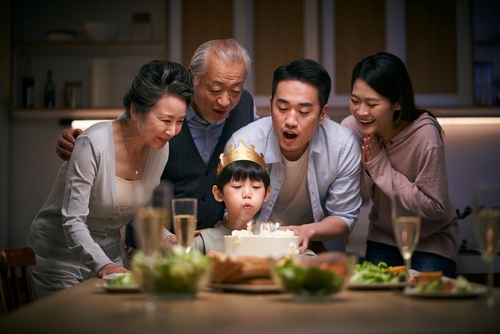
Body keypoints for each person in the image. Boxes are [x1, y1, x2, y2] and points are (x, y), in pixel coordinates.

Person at [26, 60, 195, 298]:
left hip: (111, 260)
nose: (172, 131)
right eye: (166, 120)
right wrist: (103, 265)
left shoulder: (160, 149)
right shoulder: (93, 143)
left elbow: (138, 210)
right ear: (136, 111)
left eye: (180, 122)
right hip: (59, 259)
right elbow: (73, 220)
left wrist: (167, 239)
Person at [55, 39, 257, 238]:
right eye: (214, 89)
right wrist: (79, 142)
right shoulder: (162, 105)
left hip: (213, 243)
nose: (224, 101)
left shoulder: (246, 107)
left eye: (235, 91)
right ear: (192, 76)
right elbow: (118, 136)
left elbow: (261, 156)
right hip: (153, 243)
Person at [224, 59, 363, 253]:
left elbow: (344, 216)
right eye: (282, 108)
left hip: (320, 251)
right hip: (254, 249)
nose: (290, 121)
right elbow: (233, 212)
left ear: (323, 114)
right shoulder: (244, 144)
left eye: (304, 111)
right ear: (271, 104)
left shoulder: (343, 146)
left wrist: (306, 231)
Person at [340, 52, 459, 277]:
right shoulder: (352, 129)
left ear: (398, 103)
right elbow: (360, 199)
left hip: (431, 242)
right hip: (383, 239)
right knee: (379, 307)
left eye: (372, 104)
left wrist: (379, 167)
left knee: (427, 307)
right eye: (355, 101)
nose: (361, 112)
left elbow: (436, 207)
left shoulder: (425, 135)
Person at [191, 140, 271, 254]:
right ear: (218, 194)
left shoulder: (273, 236)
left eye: (256, 187)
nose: (247, 194)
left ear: (267, 193)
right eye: (237, 186)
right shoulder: (204, 241)